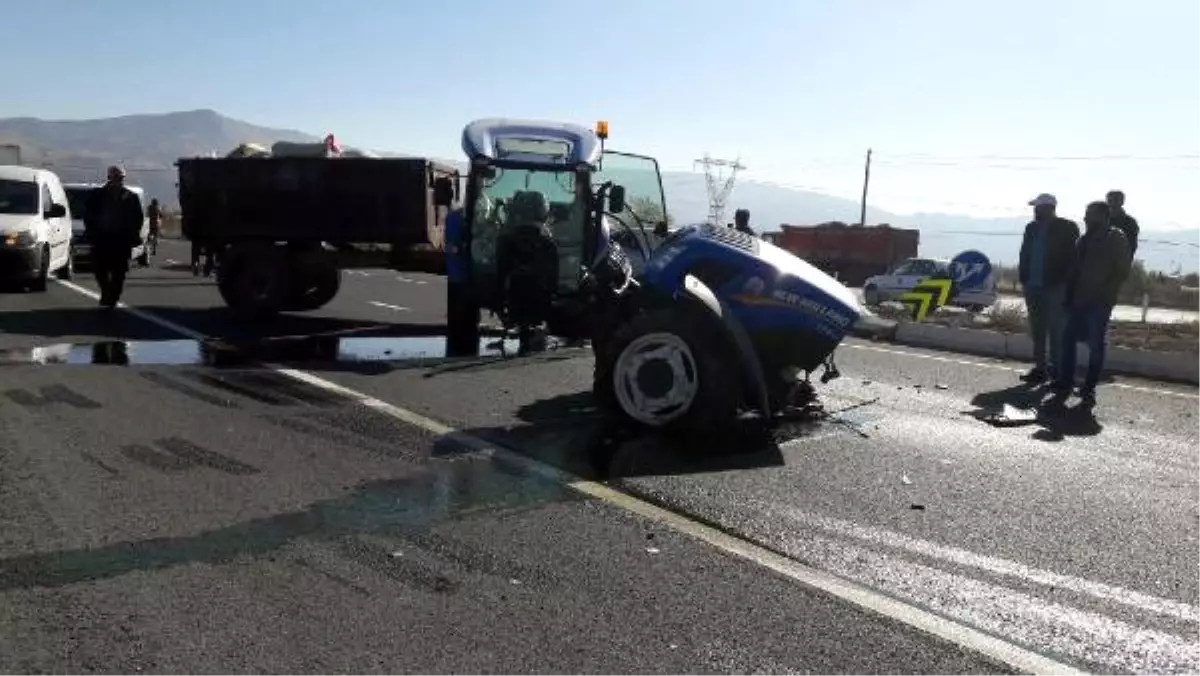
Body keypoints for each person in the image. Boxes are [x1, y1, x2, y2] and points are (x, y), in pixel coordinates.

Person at [1052, 201, 1132, 404]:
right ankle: (1065, 382)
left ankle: (1089, 388)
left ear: (1103, 216)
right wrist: (1068, 297)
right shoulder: (1083, 240)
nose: (1086, 218)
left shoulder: (1115, 238)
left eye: (1090, 214)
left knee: (1096, 345)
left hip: (1099, 302)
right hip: (1078, 300)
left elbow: (1121, 271)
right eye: (1086, 214)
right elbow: (1074, 271)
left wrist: (1105, 294)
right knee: (1067, 339)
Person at [1017, 193, 1080, 383]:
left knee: (1055, 331)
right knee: (1037, 330)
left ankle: (1058, 372)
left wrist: (1066, 282)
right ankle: (1040, 369)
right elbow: (1024, 253)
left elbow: (1073, 257)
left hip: (1055, 286)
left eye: (1037, 207)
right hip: (1033, 286)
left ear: (1048, 207)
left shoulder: (1067, 227)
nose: (1035, 210)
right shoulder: (1031, 228)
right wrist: (1024, 277)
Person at [84, 166, 145, 309]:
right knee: (100, 269)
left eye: (121, 178)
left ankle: (113, 297)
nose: (119, 181)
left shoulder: (130, 197)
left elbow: (138, 218)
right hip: (101, 239)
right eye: (116, 178)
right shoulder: (97, 195)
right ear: (110, 178)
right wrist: (92, 231)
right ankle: (106, 291)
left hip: (121, 241)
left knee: (119, 272)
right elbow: (88, 215)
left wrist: (133, 234)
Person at [1105, 190, 1139, 260]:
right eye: (1110, 200)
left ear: (1122, 202)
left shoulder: (1130, 222)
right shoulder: (1102, 220)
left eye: (1116, 200)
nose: (1113, 203)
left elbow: (1132, 246)